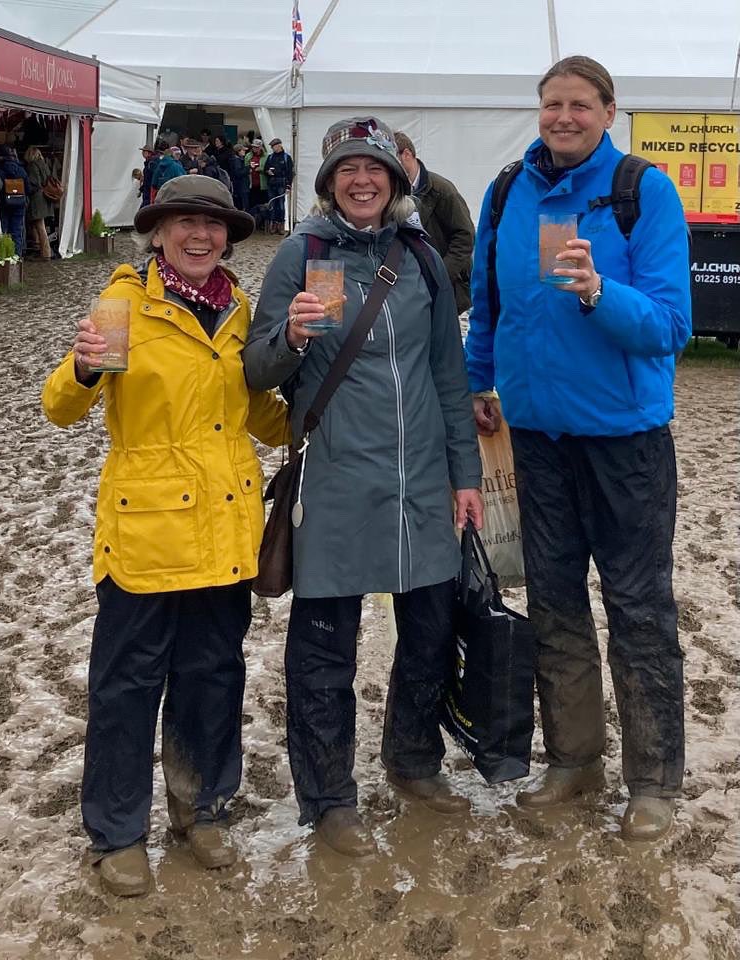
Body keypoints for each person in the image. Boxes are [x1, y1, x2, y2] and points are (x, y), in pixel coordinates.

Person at [41, 176, 290, 897]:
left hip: (225, 530)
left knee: (213, 678)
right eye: (185, 222)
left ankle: (201, 810)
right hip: (147, 536)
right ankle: (118, 834)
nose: (200, 235)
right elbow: (61, 407)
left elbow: (258, 415)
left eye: (213, 225)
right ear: (157, 232)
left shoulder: (240, 311)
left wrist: (321, 405)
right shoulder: (123, 305)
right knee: (126, 687)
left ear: (228, 238)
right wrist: (84, 365)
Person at [243, 117, 483, 858]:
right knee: (325, 650)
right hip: (339, 480)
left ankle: (413, 761)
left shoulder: (419, 259)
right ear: (328, 181)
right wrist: (293, 336)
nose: (362, 181)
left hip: (420, 484)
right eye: (347, 169)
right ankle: (328, 797)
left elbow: (448, 372)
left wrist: (465, 476)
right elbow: (256, 371)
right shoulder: (300, 252)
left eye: (374, 170)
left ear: (397, 181)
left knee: (431, 635)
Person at [465, 56, 691, 841]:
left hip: (625, 442)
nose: (564, 118)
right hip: (534, 439)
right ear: (539, 111)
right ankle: (575, 762)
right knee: (554, 604)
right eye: (551, 105)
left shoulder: (642, 190)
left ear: (608, 110)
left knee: (638, 610)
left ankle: (654, 781)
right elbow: (487, 311)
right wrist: (477, 388)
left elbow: (670, 326)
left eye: (579, 106)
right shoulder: (506, 192)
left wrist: (600, 293)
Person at [394, 132, 475, 315]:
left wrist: (441, 274)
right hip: (408, 289)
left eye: (391, 159)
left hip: (447, 290)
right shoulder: (392, 191)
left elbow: (465, 236)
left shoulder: (442, 190)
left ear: (406, 154)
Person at [0, 146, 30, 257]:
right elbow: (28, 189)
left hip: (4, 204)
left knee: (3, 231)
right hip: (19, 204)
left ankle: (3, 256)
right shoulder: (22, 170)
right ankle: (16, 257)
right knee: (16, 232)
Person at [23, 146, 53, 260]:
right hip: (44, 198)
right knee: (39, 225)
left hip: (37, 198)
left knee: (40, 226)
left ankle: (46, 253)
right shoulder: (43, 164)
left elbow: (34, 182)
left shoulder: (32, 166)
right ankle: (41, 251)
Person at [263, 137, 295, 234]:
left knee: (281, 206)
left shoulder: (287, 158)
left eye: (274, 146)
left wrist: (288, 186)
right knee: (272, 205)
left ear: (279, 145)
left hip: (282, 184)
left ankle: (281, 225)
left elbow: (290, 173)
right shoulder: (270, 157)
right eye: (272, 147)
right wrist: (267, 172)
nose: (273, 148)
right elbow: (265, 169)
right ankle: (273, 225)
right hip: (271, 184)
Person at [139, 140, 163, 208]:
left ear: (149, 153)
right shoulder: (149, 163)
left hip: (150, 192)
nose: (142, 153)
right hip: (148, 191)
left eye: (144, 151)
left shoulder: (152, 163)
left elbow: (153, 177)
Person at [245, 138, 268, 209]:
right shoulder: (248, 155)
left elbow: (268, 167)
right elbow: (245, 166)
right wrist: (249, 168)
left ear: (260, 147)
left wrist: (261, 169)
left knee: (262, 204)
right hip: (251, 183)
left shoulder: (266, 156)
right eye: (253, 147)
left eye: (256, 147)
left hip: (262, 184)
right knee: (252, 203)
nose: (254, 148)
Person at [230, 145, 250, 211]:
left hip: (240, 185)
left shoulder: (236, 160)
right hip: (242, 186)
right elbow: (238, 173)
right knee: (244, 204)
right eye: (243, 150)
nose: (244, 151)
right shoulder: (237, 160)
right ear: (238, 151)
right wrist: (248, 168)